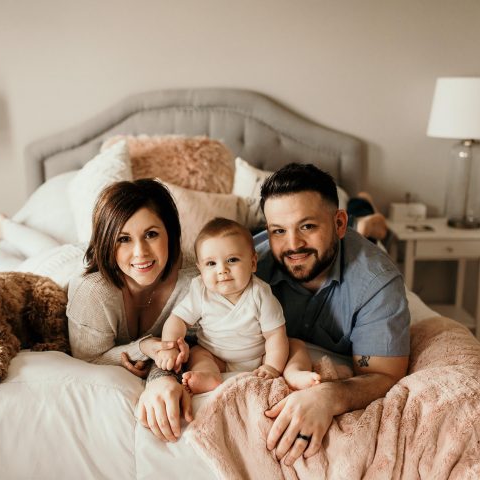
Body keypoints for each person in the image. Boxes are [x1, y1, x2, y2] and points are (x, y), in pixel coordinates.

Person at [138, 163, 410, 463]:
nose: (293, 245)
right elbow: (180, 334)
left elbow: (384, 375)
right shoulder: (237, 264)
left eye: (308, 226)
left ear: (339, 223)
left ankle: (365, 211)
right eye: (278, 231)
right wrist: (161, 377)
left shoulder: (376, 283)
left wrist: (329, 396)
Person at [156, 218, 318, 395]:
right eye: (211, 263)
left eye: (232, 260)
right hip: (216, 356)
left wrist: (271, 366)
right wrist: (170, 346)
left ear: (253, 263)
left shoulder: (260, 293)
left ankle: (294, 373)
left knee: (295, 346)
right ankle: (209, 376)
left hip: (261, 356)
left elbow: (274, 335)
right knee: (198, 353)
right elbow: (177, 320)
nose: (222, 270)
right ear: (200, 269)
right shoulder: (200, 291)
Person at [67, 179, 196, 380]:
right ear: (108, 241)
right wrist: (144, 347)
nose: (140, 252)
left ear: (170, 233)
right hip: (66, 261)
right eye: (124, 239)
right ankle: (5, 226)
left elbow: (206, 342)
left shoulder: (194, 277)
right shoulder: (92, 291)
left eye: (151, 234)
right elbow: (87, 359)